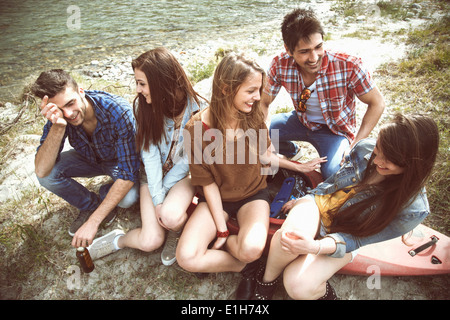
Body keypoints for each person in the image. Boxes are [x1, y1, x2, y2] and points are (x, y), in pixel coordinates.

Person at [176, 52, 326, 300]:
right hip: (216, 197)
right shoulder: (195, 128)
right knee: (187, 258)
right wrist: (222, 229)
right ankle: (245, 268)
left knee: (252, 248)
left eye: (259, 90)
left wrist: (298, 167)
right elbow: (208, 183)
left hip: (253, 194)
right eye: (251, 91)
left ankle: (243, 254)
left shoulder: (254, 115)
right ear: (226, 89)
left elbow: (266, 156)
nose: (258, 97)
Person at [250, 113, 439, 300]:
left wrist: (315, 247)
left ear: (412, 165)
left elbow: (357, 239)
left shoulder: (413, 210)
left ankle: (325, 294)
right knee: (288, 238)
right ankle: (267, 281)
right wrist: (304, 201)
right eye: (378, 149)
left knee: (298, 285)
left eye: (388, 160)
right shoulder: (365, 148)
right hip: (319, 205)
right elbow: (332, 183)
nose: (376, 160)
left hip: (346, 234)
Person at [86, 48, 206, 265]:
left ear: (161, 82)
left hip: (184, 176)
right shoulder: (144, 107)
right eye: (137, 83)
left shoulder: (200, 110)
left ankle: (175, 232)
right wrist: (158, 197)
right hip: (151, 176)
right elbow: (149, 157)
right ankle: (119, 239)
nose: (138, 90)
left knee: (170, 217)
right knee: (150, 240)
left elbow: (188, 161)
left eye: (142, 83)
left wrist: (163, 198)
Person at [262, 8, 385, 179]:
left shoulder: (349, 65)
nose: (313, 58)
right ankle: (291, 150)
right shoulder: (279, 64)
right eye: (304, 51)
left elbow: (377, 103)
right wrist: (263, 138)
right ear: (288, 50)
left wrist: (356, 143)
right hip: (299, 121)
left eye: (318, 47)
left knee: (334, 173)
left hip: (335, 132)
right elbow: (263, 102)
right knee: (252, 138)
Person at [31, 69, 140, 248]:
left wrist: (94, 222)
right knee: (47, 176)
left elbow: (128, 173)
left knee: (128, 199)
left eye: (70, 103)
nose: (68, 114)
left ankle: (106, 197)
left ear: (81, 91)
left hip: (118, 162)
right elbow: (42, 169)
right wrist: (58, 126)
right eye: (59, 109)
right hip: (89, 159)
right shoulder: (59, 118)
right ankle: (90, 204)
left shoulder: (116, 110)